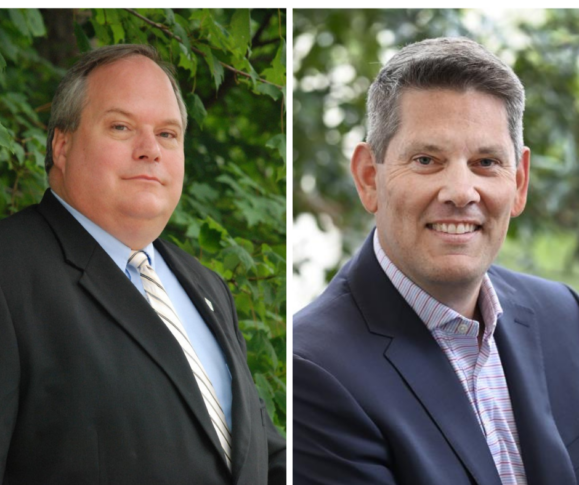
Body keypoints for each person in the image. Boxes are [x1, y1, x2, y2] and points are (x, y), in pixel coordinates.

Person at [293, 37, 579, 485]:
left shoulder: (563, 315)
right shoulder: (312, 372)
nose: (461, 192)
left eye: (486, 162)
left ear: (519, 182)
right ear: (370, 178)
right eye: (427, 160)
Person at [0, 44, 285, 484]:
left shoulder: (206, 286)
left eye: (168, 134)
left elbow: (261, 455)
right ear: (61, 144)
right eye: (121, 126)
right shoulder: (10, 271)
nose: (150, 149)